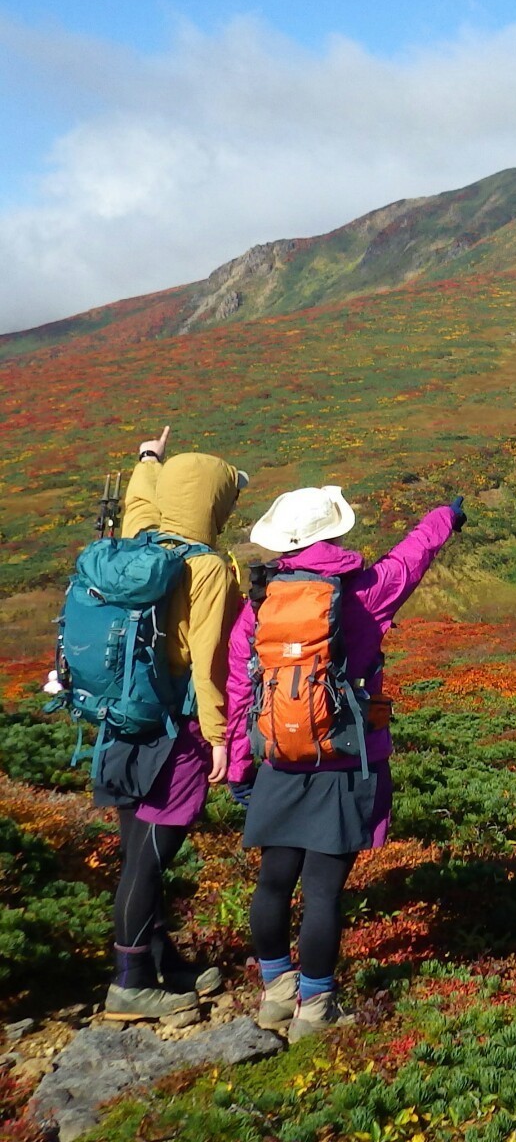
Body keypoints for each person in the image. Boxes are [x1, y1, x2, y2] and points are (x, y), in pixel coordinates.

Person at [225, 486, 463, 1042]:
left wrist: (240, 765)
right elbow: (414, 554)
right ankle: (317, 1008)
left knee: (274, 880)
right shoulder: (366, 592)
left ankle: (277, 994)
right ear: (332, 533)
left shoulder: (259, 602)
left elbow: (240, 686)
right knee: (325, 890)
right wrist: (446, 515)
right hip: (345, 759)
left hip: (279, 759)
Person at [97, 426, 247, 1022]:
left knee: (137, 845)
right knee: (150, 856)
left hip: (120, 720)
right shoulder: (205, 567)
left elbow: (138, 501)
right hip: (174, 729)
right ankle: (130, 981)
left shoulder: (134, 544)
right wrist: (218, 737)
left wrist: (147, 458)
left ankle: (161, 960)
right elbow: (208, 661)